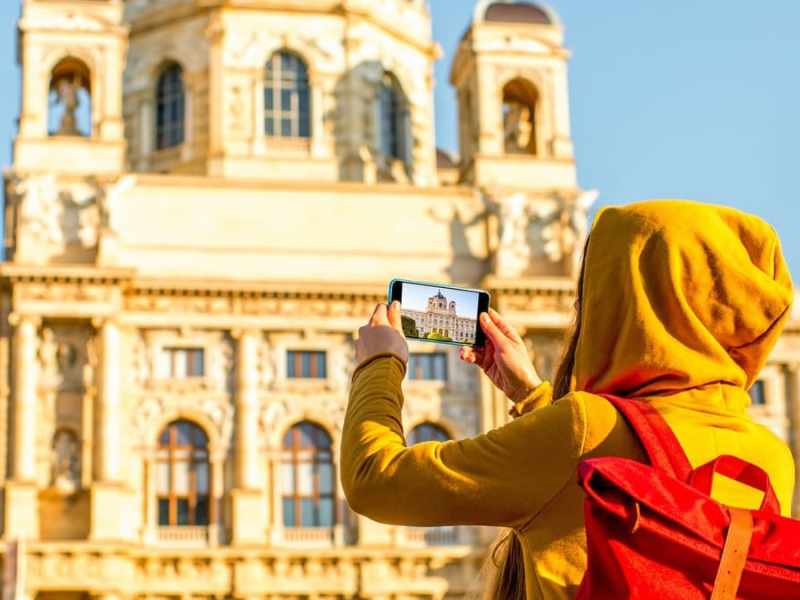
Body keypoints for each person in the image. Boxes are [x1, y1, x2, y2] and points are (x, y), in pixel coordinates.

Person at [341, 200, 796, 600]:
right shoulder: (770, 456)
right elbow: (617, 488)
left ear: (628, 306)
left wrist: (380, 364)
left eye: (594, 293)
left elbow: (374, 480)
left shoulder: (581, 426)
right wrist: (531, 395)